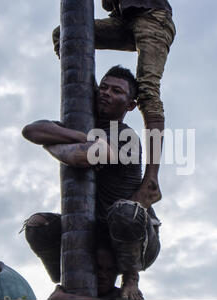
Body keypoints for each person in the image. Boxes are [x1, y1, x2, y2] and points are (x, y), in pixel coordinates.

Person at [21, 66, 161, 300]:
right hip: (98, 233)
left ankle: (130, 279)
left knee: (123, 212)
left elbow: (80, 156)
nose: (106, 92)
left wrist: (53, 141)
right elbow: (32, 131)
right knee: (38, 226)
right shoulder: (84, 127)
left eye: (116, 91)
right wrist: (82, 137)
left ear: (130, 105)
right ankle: (68, 280)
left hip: (135, 238)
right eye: (103, 87)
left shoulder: (127, 138)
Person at [52, 0, 176, 210]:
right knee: (64, 34)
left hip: (152, 16)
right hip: (123, 18)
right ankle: (93, 98)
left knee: (147, 90)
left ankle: (151, 182)